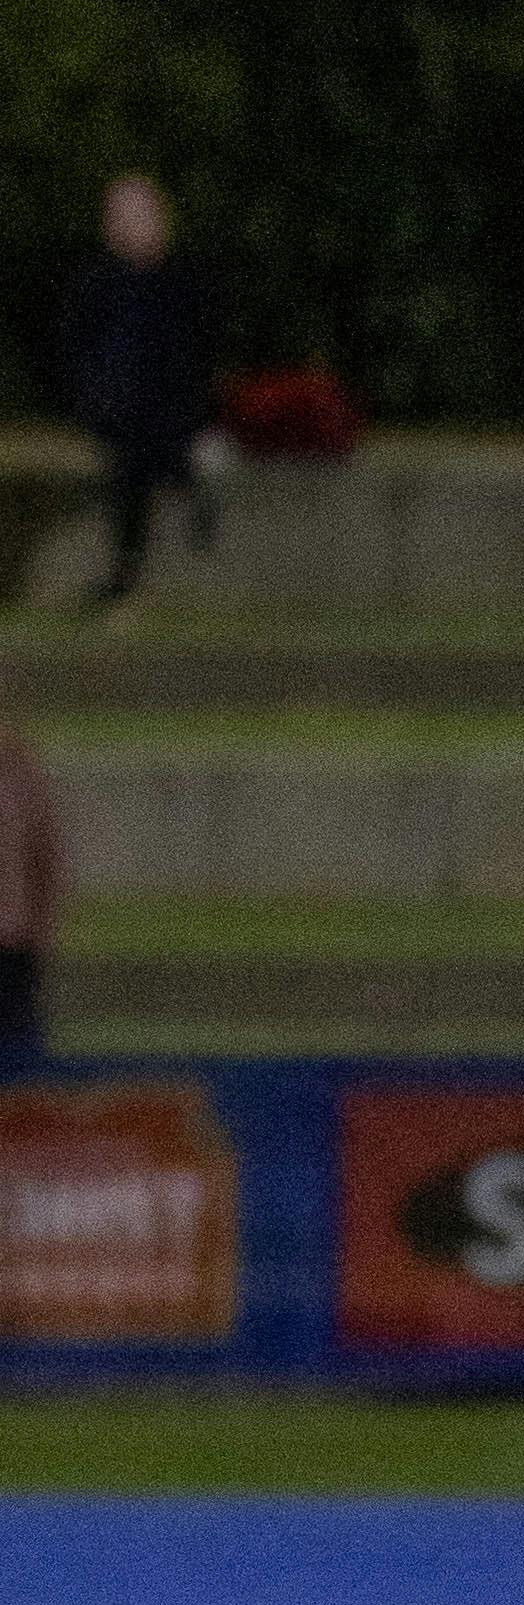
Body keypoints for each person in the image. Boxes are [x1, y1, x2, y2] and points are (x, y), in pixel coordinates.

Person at [56, 174, 219, 611]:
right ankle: (129, 567)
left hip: (168, 412)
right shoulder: (96, 284)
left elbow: (196, 360)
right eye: (116, 217)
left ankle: (137, 564)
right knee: (132, 456)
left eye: (134, 215)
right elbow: (78, 355)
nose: (124, 226)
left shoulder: (182, 283)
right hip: (115, 410)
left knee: (147, 450)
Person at [0, 697, 58, 1060]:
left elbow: (47, 855)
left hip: (11, 948)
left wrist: (40, 929)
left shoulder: (16, 764)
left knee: (18, 1066)